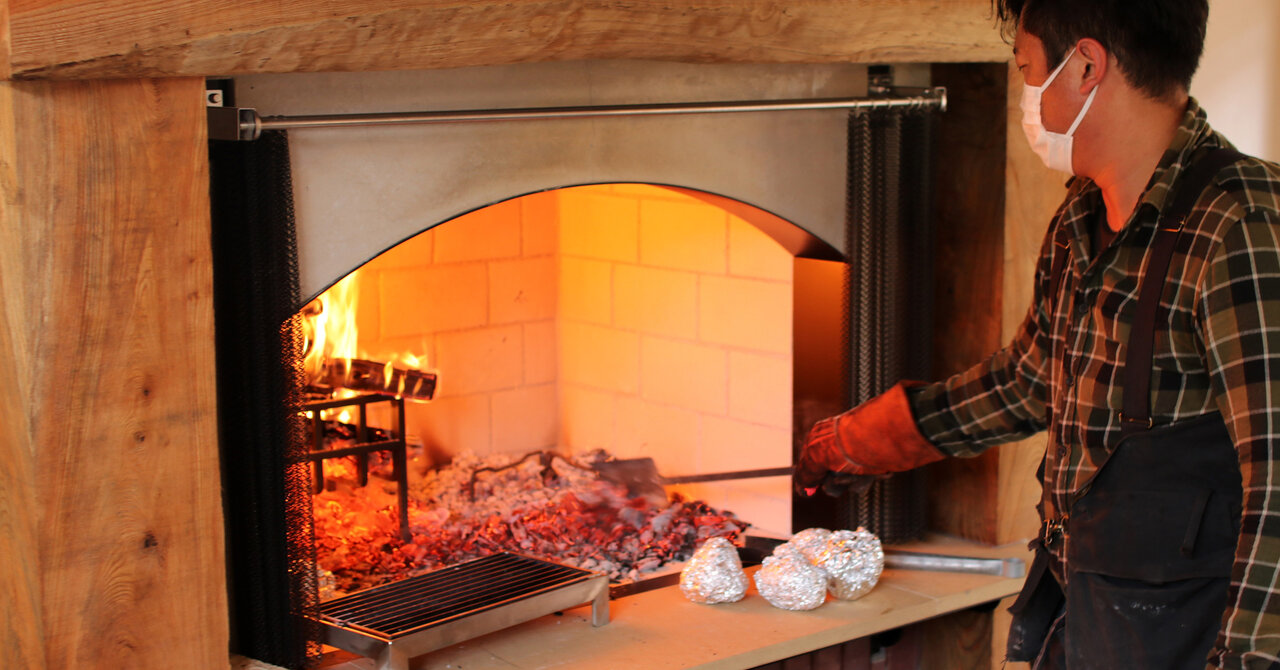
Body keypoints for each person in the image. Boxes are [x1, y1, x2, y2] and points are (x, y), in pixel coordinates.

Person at [793, 0, 1280, 667]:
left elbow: (1277, 471)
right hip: (1090, 611)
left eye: (1026, 68)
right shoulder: (1082, 213)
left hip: (1194, 637)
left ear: (1084, 66)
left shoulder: (1241, 225)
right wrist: (859, 440)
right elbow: (1028, 381)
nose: (1027, 96)